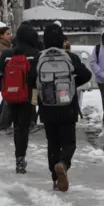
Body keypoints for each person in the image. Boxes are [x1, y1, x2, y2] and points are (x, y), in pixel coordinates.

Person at [32, 24, 91, 192]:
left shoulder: (39, 58)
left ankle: (55, 179)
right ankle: (63, 163)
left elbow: (30, 80)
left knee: (53, 143)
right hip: (67, 106)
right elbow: (86, 75)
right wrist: (71, 84)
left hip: (47, 107)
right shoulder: (70, 57)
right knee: (69, 142)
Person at [0, 23, 41, 173]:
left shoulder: (8, 54)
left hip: (12, 95)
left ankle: (19, 156)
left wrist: (3, 86)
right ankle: (22, 154)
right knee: (24, 126)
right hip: (31, 94)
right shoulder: (36, 53)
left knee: (17, 126)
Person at [0, 27, 15, 132]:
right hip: (3, 76)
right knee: (6, 99)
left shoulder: (12, 46)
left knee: (6, 99)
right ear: (1, 35)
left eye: (10, 33)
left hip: (11, 76)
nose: (10, 36)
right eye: (7, 34)